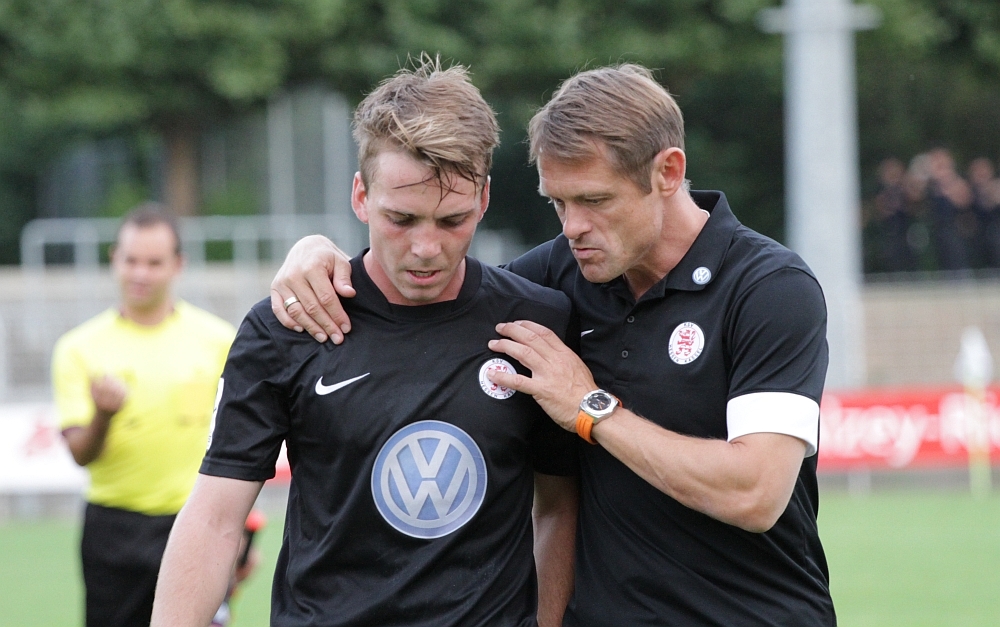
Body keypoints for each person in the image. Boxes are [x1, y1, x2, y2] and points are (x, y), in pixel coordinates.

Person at [272, 63, 836, 625]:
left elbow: (755, 494)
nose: (572, 227)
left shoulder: (770, 288)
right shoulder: (552, 280)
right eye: (559, 203)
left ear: (668, 171)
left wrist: (591, 409)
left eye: (595, 200)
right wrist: (316, 256)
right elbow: (429, 302)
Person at [151, 57, 578, 627]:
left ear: (483, 200)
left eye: (451, 220)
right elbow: (214, 519)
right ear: (360, 196)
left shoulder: (538, 321)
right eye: (401, 219)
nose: (426, 247)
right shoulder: (287, 326)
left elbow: (558, 506)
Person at [52, 205, 238, 627]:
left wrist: (243, 530)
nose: (140, 273)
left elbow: (239, 444)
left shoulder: (219, 340)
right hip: (112, 528)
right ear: (114, 259)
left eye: (154, 263)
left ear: (178, 265)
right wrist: (103, 415)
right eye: (131, 260)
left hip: (194, 524)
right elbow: (80, 453)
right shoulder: (78, 348)